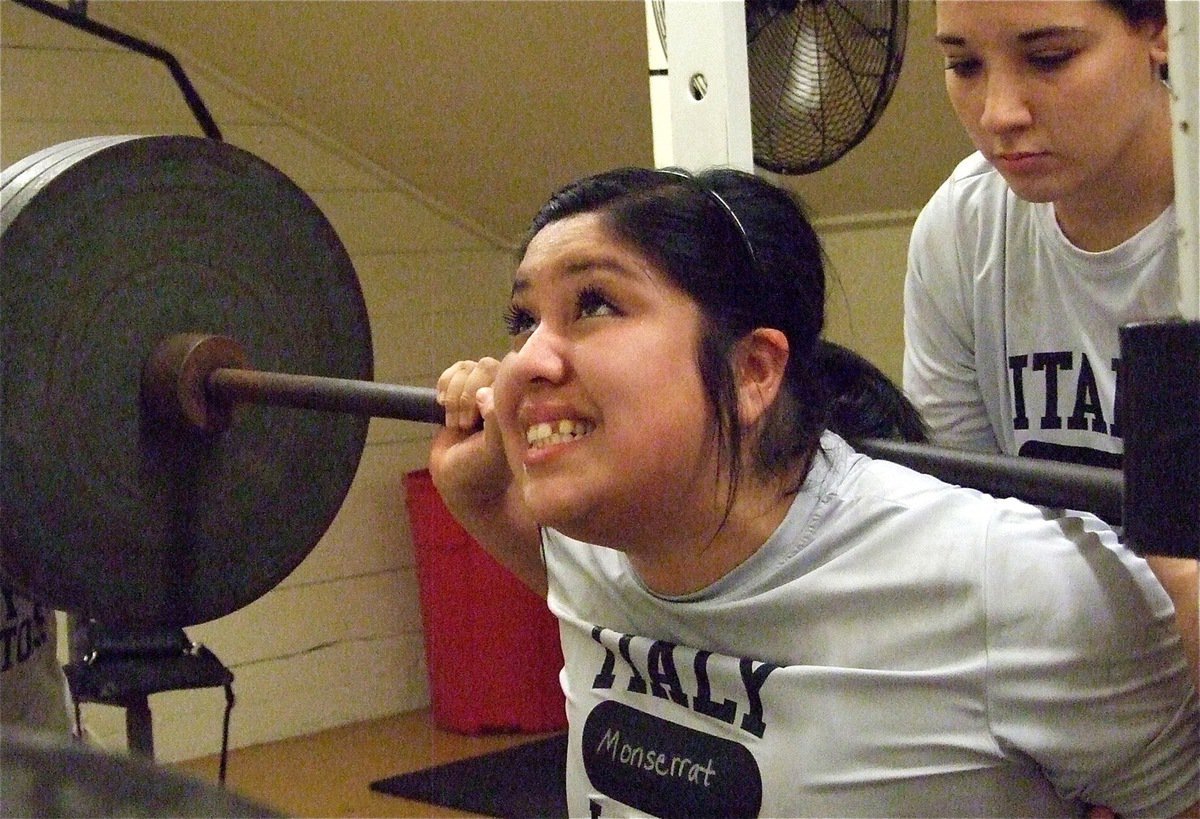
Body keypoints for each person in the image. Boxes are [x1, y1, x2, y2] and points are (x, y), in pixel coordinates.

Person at [432, 166, 1198, 817]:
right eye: (523, 319)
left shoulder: (1009, 581)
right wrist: (479, 492)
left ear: (751, 371)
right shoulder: (593, 543)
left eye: (595, 304)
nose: (527, 360)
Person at [903, 0, 1198, 674]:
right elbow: (961, 536)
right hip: (1059, 676)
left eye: (1050, 58)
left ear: (1162, 30)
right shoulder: (963, 229)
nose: (998, 113)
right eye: (963, 65)